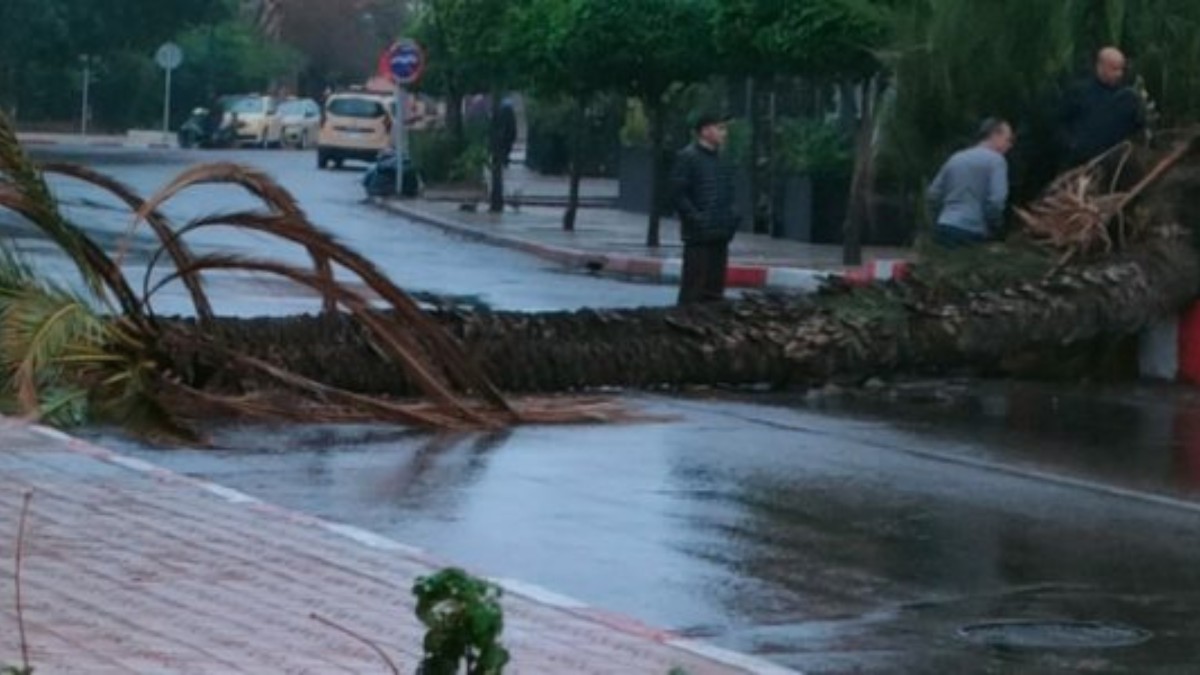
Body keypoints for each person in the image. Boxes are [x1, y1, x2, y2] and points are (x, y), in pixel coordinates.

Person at [671, 111, 736, 305]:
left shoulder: (722, 160)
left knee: (714, 291)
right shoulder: (687, 157)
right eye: (720, 128)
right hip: (698, 236)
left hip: (720, 233)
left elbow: (729, 190)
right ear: (705, 131)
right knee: (694, 289)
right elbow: (678, 194)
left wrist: (732, 218)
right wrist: (696, 218)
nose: (724, 133)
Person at [925, 117, 1014, 248]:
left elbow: (933, 194)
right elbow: (996, 201)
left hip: (944, 226)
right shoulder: (996, 161)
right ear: (995, 135)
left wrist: (943, 214)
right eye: (1008, 140)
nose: (1010, 145)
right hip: (972, 231)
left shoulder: (956, 158)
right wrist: (995, 226)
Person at [1059, 46, 1145, 167]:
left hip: (1116, 164)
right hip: (1082, 163)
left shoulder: (1127, 98)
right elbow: (1061, 122)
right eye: (1114, 69)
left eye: (1121, 69)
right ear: (1100, 67)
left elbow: (1137, 129)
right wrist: (1072, 145)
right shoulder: (1079, 92)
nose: (1119, 74)